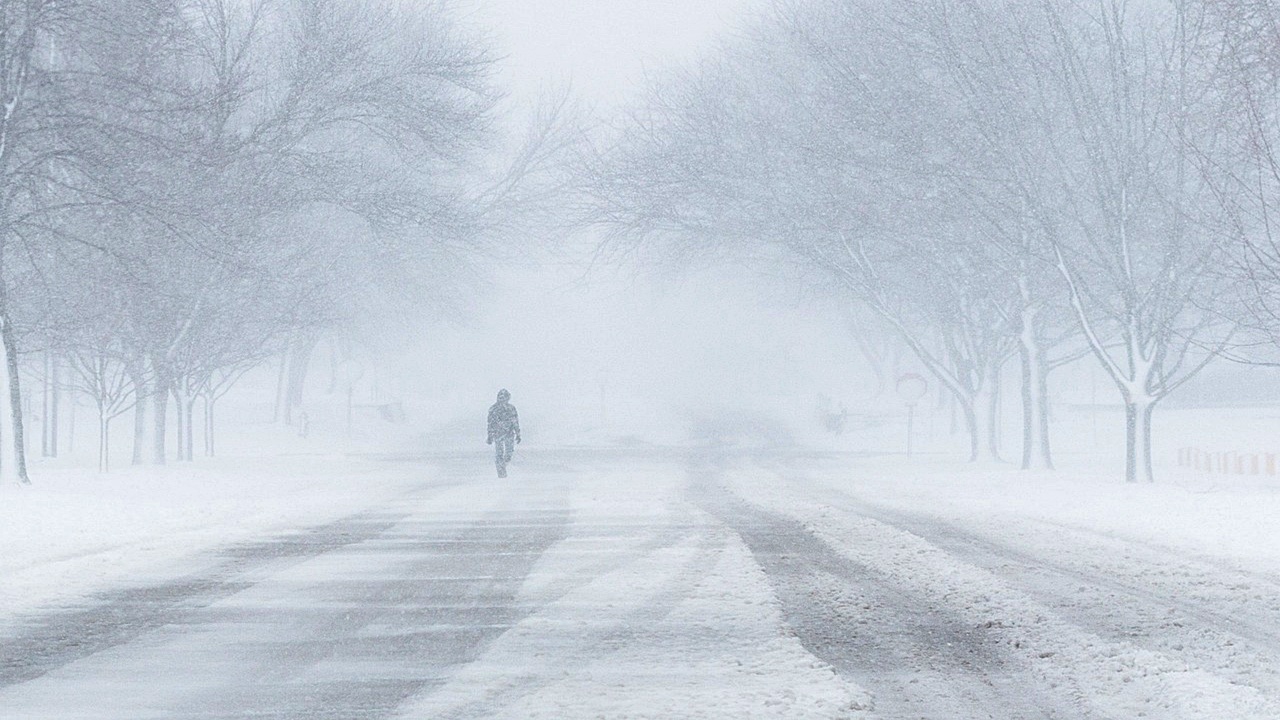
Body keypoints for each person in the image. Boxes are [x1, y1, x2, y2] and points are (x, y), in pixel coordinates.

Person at [486, 389, 521, 477]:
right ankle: (501, 474)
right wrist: (490, 435)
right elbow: (490, 423)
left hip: (509, 433)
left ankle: (502, 468)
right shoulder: (493, 409)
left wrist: (518, 434)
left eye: (504, 397)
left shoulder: (511, 408)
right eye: (500, 397)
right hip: (499, 434)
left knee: (508, 454)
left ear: (507, 398)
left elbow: (515, 421)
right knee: (499, 454)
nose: (502, 399)